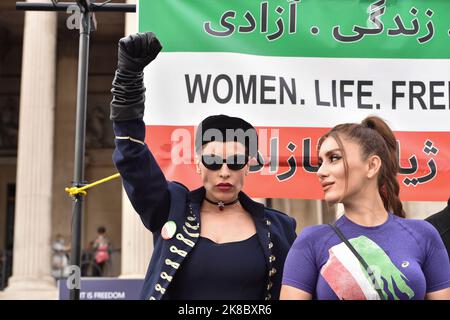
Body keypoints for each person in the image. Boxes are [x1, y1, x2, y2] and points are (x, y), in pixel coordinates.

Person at [110, 32, 297, 300]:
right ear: (197, 164)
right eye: (212, 160)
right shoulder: (170, 208)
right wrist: (128, 81)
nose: (224, 171)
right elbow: (132, 155)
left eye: (235, 162)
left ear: (248, 166)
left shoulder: (280, 228)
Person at [281, 116, 450, 300]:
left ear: (372, 165)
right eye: (320, 162)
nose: (320, 172)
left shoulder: (424, 235)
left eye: (334, 158)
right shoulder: (311, 241)